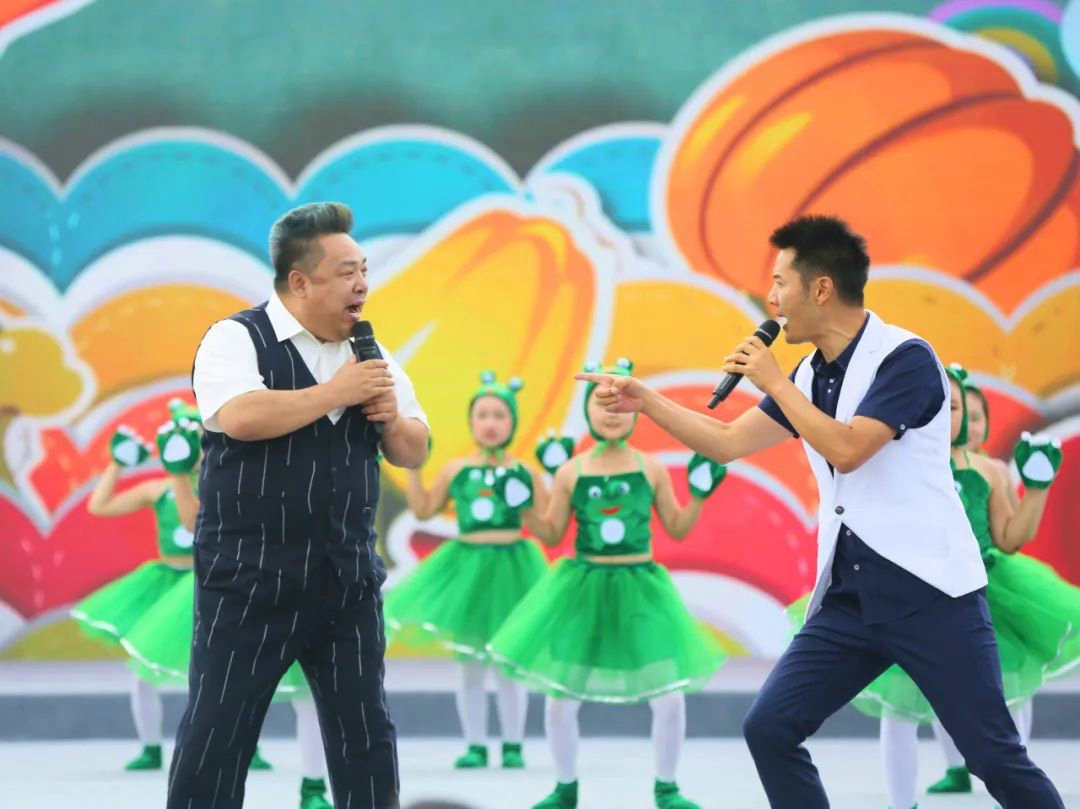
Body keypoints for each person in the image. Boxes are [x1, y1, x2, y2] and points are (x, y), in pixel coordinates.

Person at [576, 215, 1064, 809]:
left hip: (931, 594)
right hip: (851, 599)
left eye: (780, 283)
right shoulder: (810, 372)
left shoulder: (905, 359)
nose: (770, 299)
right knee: (770, 728)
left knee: (993, 756)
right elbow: (726, 441)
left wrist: (776, 384)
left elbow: (849, 449)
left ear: (822, 288)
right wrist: (648, 401)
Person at [167, 202, 429, 809]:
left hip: (347, 577)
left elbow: (414, 449)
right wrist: (336, 392)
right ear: (300, 282)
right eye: (346, 272)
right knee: (218, 728)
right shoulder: (235, 338)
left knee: (365, 733)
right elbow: (241, 417)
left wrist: (391, 420)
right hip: (250, 577)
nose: (361, 285)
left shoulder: (371, 353)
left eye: (363, 270)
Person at [489, 359, 728, 809]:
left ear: (636, 408)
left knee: (669, 697)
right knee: (561, 699)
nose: (611, 412)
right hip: (583, 589)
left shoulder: (652, 468)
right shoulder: (571, 472)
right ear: (586, 412)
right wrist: (522, 507)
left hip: (641, 590)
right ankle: (564, 788)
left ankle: (667, 788)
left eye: (619, 402)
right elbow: (551, 533)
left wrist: (698, 495)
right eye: (600, 403)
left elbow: (677, 527)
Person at [859, 366, 1073, 809]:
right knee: (901, 704)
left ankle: (1016, 793)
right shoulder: (897, 461)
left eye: (955, 408)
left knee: (1008, 690)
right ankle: (903, 803)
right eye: (936, 405)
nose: (945, 415)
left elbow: (1009, 538)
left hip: (980, 590)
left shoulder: (989, 471)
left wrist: (1036, 489)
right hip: (911, 594)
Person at [385, 371, 549, 769]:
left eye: (500, 415)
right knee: (470, 667)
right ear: (472, 422)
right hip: (468, 574)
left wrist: (527, 500)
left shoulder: (526, 473)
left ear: (512, 422)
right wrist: (415, 467)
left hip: (514, 570)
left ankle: (513, 745)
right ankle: (475, 744)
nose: (491, 423)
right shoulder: (457, 470)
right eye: (483, 415)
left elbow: (548, 526)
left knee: (508, 665)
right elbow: (424, 509)